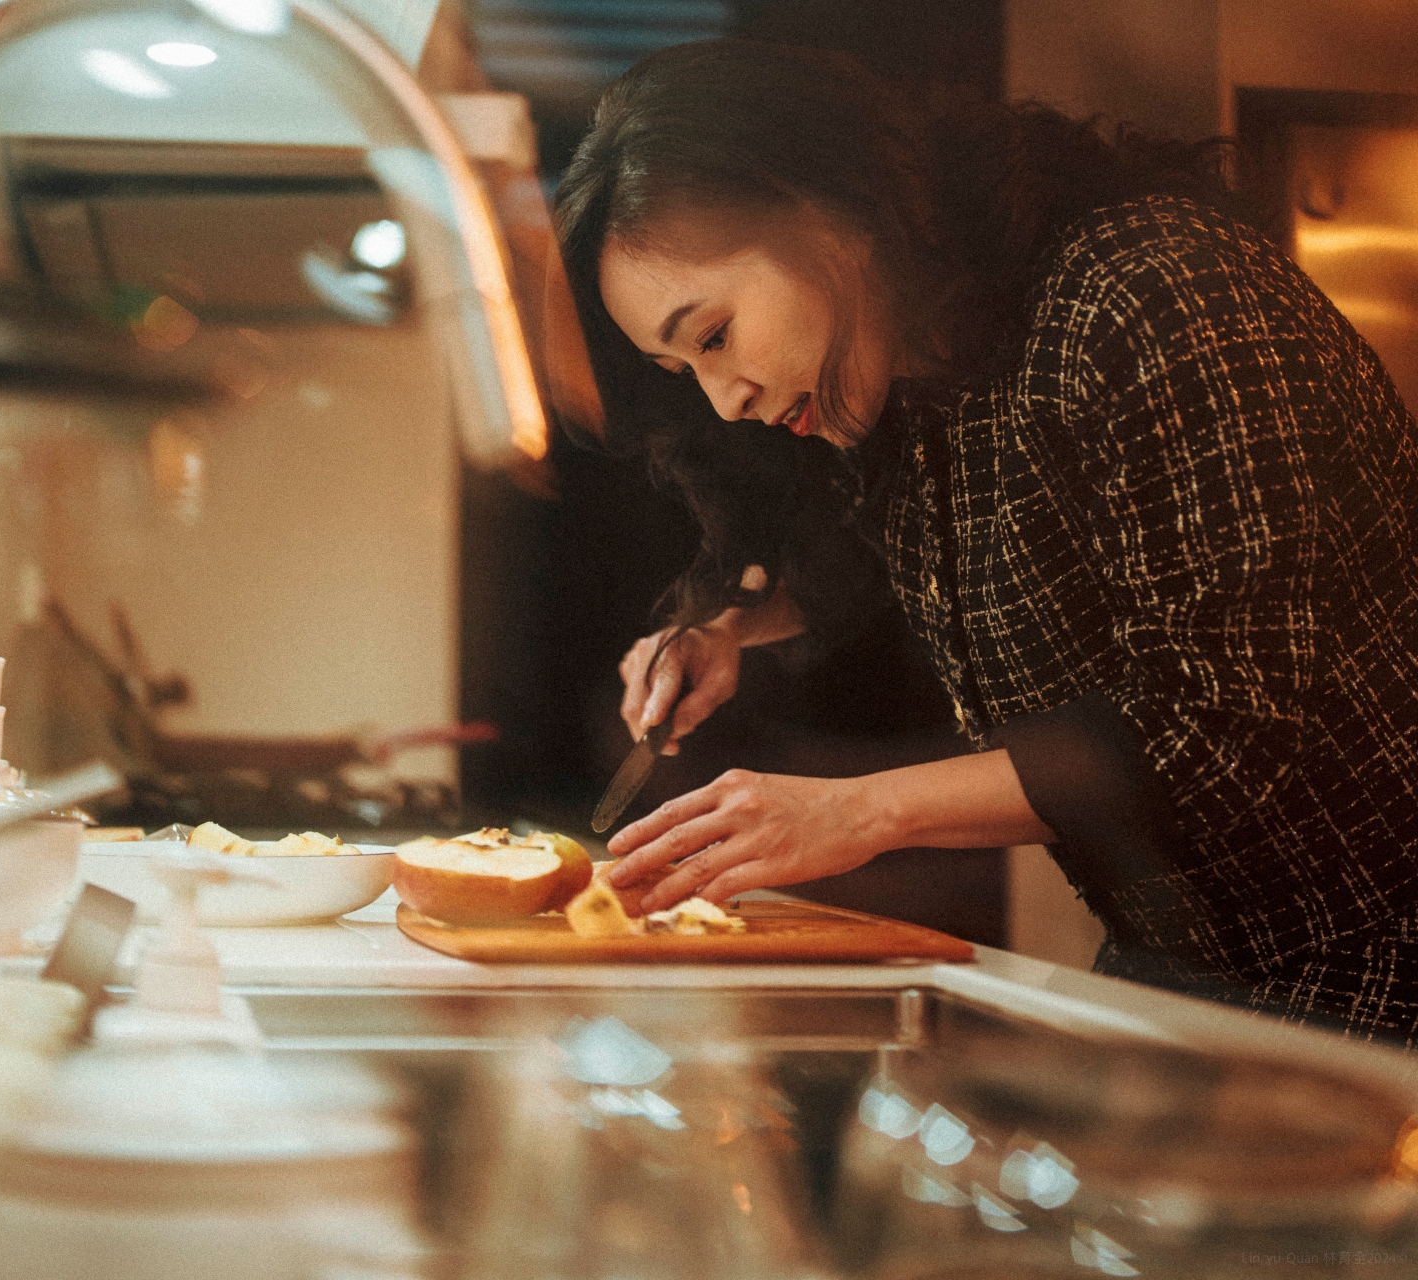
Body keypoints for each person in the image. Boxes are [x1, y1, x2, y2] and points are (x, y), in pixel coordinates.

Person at [554, 39, 1418, 1043]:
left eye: (713, 335)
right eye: (681, 367)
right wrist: (726, 627)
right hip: (1191, 984)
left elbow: (1225, 727)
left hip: (1379, 985)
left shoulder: (1154, 293)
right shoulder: (930, 392)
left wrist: (852, 812)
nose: (725, 396)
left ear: (830, 210)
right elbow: (894, 562)